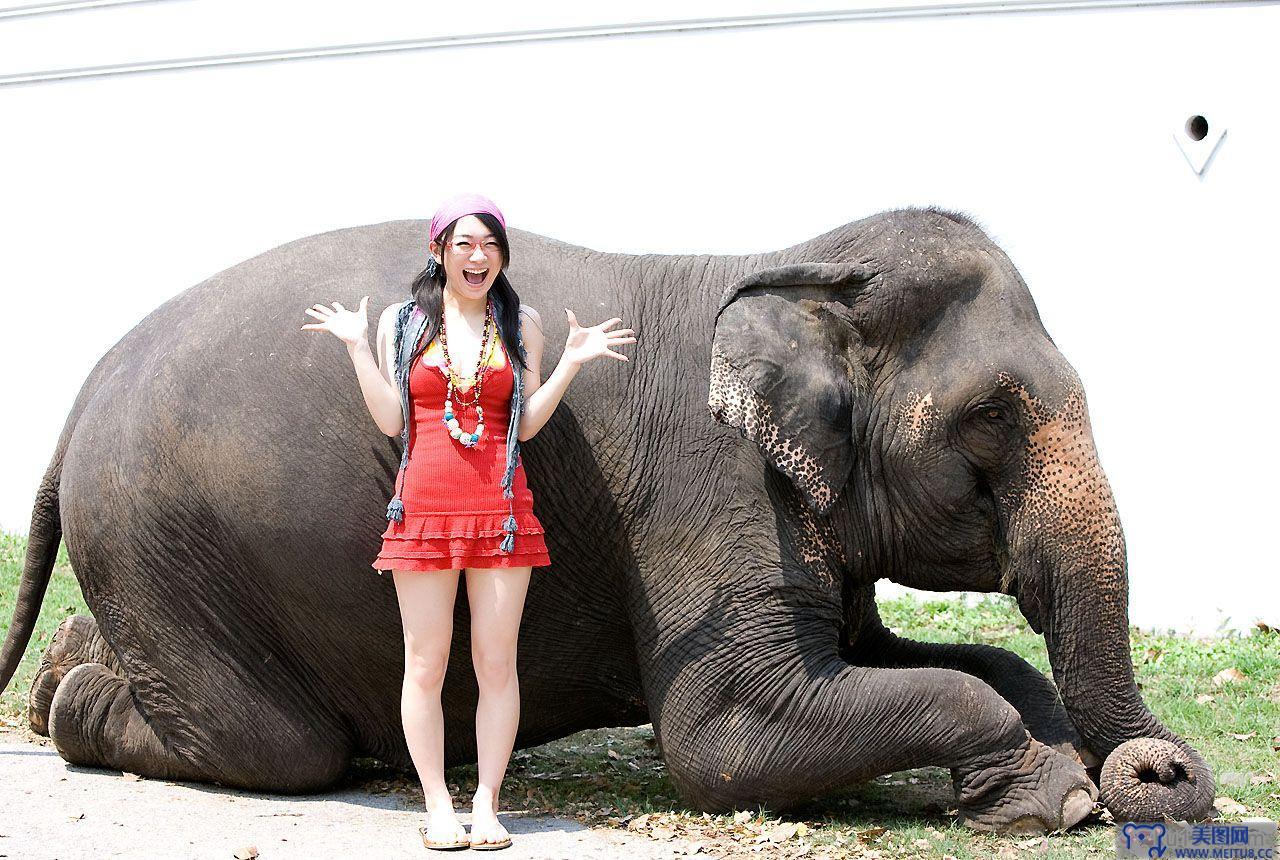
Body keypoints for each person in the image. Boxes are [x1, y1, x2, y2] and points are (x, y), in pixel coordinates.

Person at [302, 193, 635, 851]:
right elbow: (393, 421)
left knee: (496, 664)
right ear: (439, 252)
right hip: (422, 512)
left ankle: (486, 803)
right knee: (425, 665)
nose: (477, 256)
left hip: (504, 514)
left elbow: (528, 423)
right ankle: (436, 805)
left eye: (489, 244)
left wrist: (570, 360)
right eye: (463, 244)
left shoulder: (521, 324)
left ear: (502, 254)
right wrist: (355, 348)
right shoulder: (402, 323)